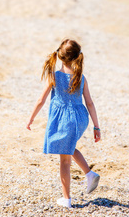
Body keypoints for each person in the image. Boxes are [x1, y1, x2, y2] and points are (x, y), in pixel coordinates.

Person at [26, 39, 101, 208]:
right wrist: (96, 127)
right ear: (76, 58)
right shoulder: (81, 78)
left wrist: (31, 118)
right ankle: (89, 174)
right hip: (80, 118)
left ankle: (66, 199)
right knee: (68, 146)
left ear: (59, 56)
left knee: (65, 159)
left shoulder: (54, 76)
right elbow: (90, 103)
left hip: (64, 120)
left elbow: (41, 100)